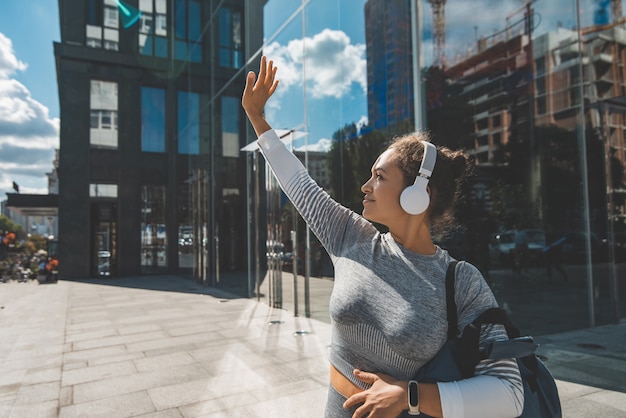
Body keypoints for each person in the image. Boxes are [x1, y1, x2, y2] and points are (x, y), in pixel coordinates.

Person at [242, 56, 523, 418]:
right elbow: (300, 185)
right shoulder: (352, 237)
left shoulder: (462, 281)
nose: (366, 186)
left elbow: (509, 393)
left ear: (419, 194)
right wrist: (257, 118)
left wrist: (412, 396)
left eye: (379, 176)